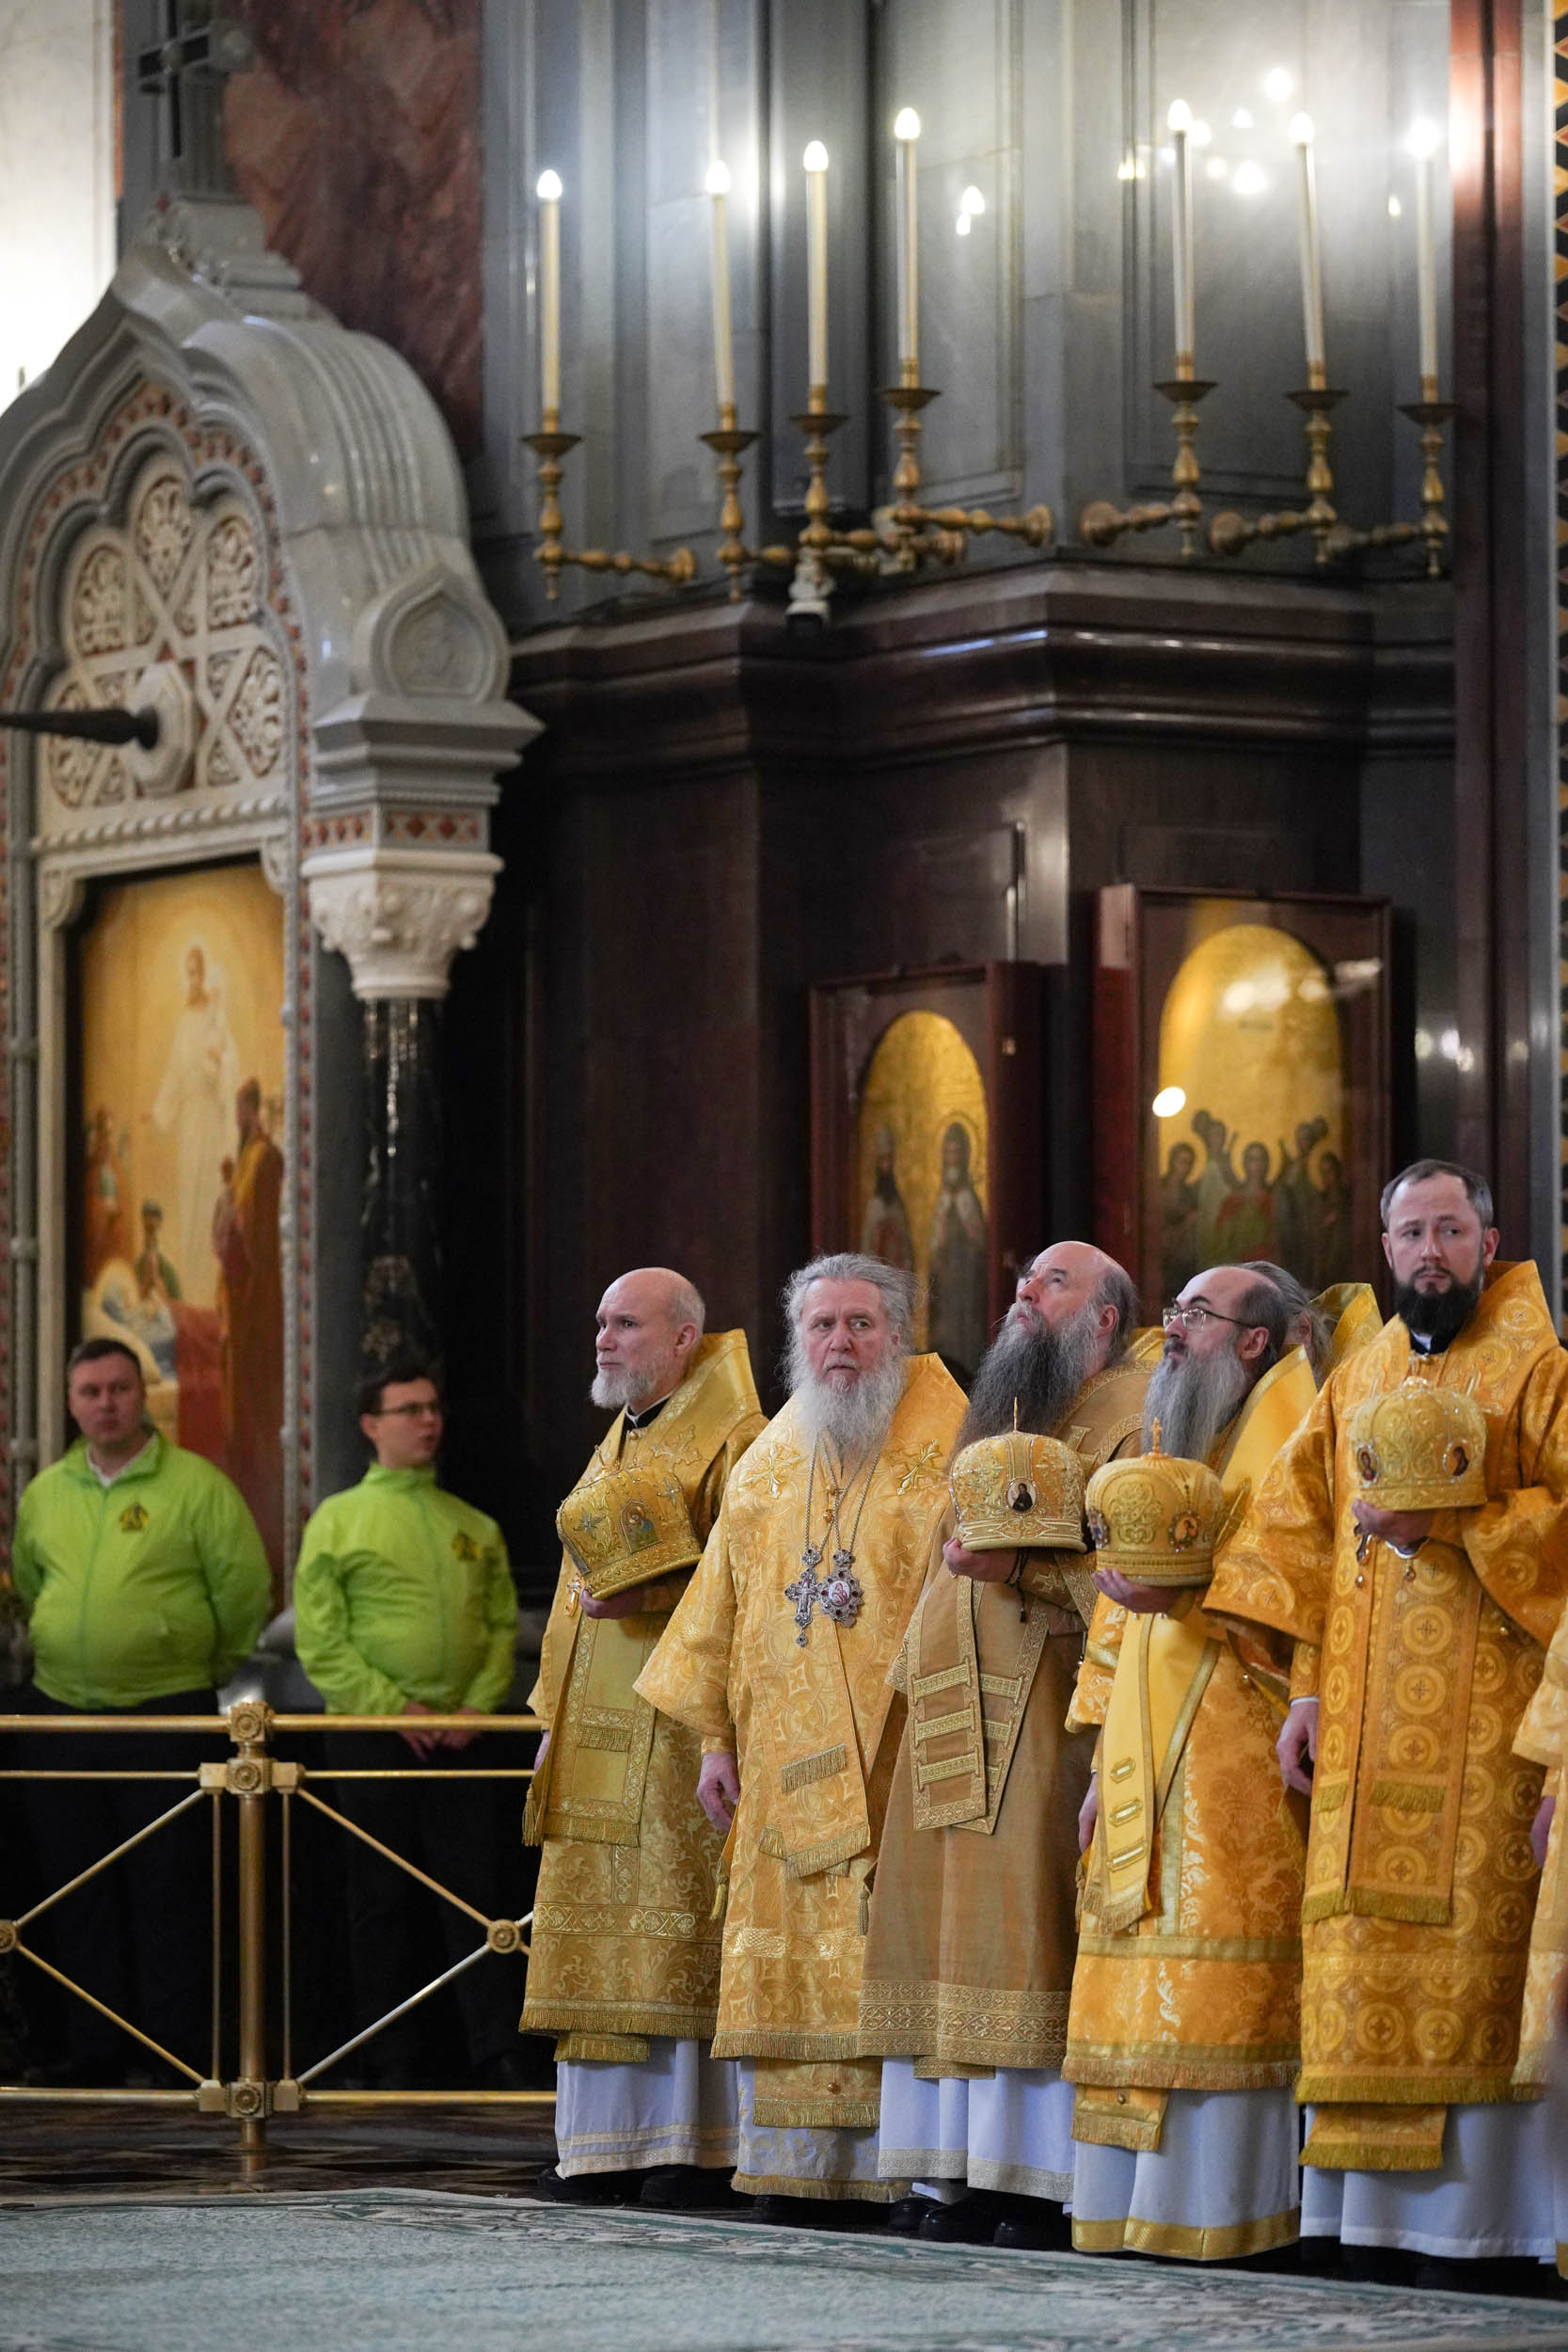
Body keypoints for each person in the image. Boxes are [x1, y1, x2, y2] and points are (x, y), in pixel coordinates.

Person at [1210, 1161, 1568, 2280]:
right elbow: (1307, 1539)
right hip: (1361, 1731)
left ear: (1488, 1242)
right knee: (1361, 1960)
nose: (1429, 1251)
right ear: (1383, 1248)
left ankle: (1485, 2231)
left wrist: (1455, 1524)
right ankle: (1365, 2225)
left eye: (1449, 1230)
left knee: (1472, 1966)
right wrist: (1304, 1690)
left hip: (1490, 1737)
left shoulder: (1540, 1368)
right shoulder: (1356, 1374)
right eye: (1409, 1232)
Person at [636, 1253, 965, 2223]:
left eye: (861, 1324)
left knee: (891, 1965)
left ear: (897, 1333)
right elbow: (721, 1613)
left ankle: (900, 2170)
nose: (840, 1343)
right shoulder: (769, 1458)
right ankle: (793, 2169)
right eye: (822, 1326)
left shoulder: (953, 1441)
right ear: (797, 1339)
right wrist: (713, 1741)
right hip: (778, 1778)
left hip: (899, 1762)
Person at [859, 1241, 1148, 2249]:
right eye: (1025, 1278)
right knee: (936, 1934)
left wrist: (1020, 1570)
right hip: (949, 1696)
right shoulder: (1003, 1412)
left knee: (1019, 1937)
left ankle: (1024, 2179)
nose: (1025, 1291)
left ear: (1103, 1316)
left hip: (1044, 1710)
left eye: (1052, 1282)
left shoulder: (1133, 1416)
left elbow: (1131, 1582)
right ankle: (942, 2164)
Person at [1064, 1264, 1318, 2263]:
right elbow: (1117, 1613)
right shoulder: (1178, 1429)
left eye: (1195, 1316)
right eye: (1171, 1310)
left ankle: (1221, 2211)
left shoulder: (1294, 1427)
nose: (1171, 1329)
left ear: (1253, 1340)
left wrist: (1190, 1598)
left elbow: (1309, 1595)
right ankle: (1132, 2210)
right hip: (1141, 1738)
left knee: (1218, 1969)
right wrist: (1097, 1766)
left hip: (1238, 1755)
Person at [523, 1268, 766, 2208]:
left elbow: (744, 1579)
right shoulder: (617, 1439)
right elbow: (569, 1596)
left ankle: (688, 2146)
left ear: (683, 1338)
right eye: (600, 1321)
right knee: (595, 1937)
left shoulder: (734, 1437)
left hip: (675, 1733)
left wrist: (655, 1595)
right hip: (594, 1727)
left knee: (672, 1934)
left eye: (625, 1323)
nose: (603, 1338)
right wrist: (551, 1717)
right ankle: (602, 2145)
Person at [10, 1335, 271, 2080]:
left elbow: (243, 1594)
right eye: (90, 1392)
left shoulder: (197, 1486)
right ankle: (92, 2054)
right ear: (71, 1403)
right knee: (76, 1893)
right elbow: (31, 1585)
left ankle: (172, 2057)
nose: (106, 1404)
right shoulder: (45, 1493)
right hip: (62, 1716)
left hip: (166, 1717)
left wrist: (189, 1667)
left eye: (119, 1389)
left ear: (142, 1396)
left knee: (168, 1894)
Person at [293, 1358, 523, 2090]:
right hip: (370, 1737)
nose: (428, 1421)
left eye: (432, 1408)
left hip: (463, 1737)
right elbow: (322, 1640)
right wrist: (395, 1707)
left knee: (474, 1897)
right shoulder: (338, 1520)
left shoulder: (472, 1524)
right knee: (379, 1900)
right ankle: (387, 2057)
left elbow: (501, 1630)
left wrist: (475, 1706)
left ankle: (493, 2049)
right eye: (409, 1410)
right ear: (371, 1425)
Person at [213, 1079, 284, 1581]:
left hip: (256, 1302)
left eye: (239, 1108)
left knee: (255, 1402)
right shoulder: (245, 1160)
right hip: (237, 1301)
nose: (236, 1116)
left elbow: (257, 1234)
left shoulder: (265, 1159)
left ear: (249, 1109)